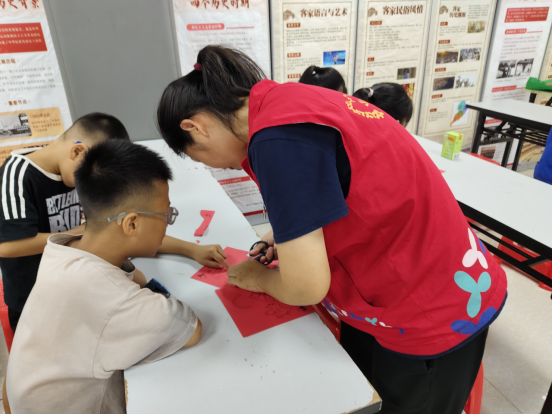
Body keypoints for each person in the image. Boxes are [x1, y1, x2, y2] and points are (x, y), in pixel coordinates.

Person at [156, 46, 507, 414]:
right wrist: (288, 235)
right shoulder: (285, 101)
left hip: (430, 305)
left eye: (199, 156)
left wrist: (256, 278)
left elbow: (306, 287)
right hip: (414, 273)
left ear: (195, 127)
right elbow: (345, 184)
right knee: (365, 393)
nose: (215, 166)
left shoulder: (276, 140)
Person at [5, 140, 203, 414]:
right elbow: (190, 329)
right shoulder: (113, 298)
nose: (168, 222)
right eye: (166, 214)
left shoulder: (63, 247)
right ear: (131, 223)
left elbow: (132, 279)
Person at [0, 113, 128, 331]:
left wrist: (188, 248)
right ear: (77, 151)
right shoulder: (16, 176)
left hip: (71, 287)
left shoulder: (71, 170)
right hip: (33, 301)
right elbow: (8, 246)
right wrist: (79, 232)